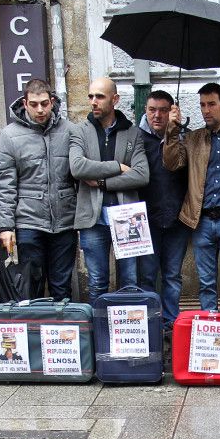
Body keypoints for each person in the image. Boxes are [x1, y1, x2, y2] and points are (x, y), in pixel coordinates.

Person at [162, 82, 220, 312]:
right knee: (207, 283)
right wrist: (171, 131)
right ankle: (210, 334)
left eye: (211, 104)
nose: (206, 110)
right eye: (202, 105)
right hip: (202, 220)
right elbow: (171, 163)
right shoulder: (193, 139)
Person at [0, 78, 78, 301]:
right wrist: (5, 226)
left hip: (64, 220)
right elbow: (5, 184)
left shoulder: (69, 130)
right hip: (28, 221)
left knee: (62, 286)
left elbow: (80, 174)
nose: (40, 110)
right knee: (30, 285)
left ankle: (61, 334)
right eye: (34, 104)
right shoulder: (10, 135)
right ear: (25, 102)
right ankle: (34, 332)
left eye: (44, 103)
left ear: (52, 101)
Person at [68, 77, 149, 300]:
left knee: (130, 281)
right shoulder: (80, 131)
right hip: (92, 219)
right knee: (96, 282)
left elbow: (141, 174)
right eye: (90, 96)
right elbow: (77, 167)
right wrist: (117, 167)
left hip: (128, 217)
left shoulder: (133, 133)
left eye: (100, 96)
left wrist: (103, 182)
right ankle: (100, 333)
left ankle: (129, 332)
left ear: (115, 99)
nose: (93, 101)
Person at [137, 90, 189, 328]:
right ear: (145, 111)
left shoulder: (184, 138)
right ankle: (150, 325)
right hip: (145, 220)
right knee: (147, 276)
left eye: (163, 110)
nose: (157, 115)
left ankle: (170, 325)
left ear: (172, 111)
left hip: (177, 218)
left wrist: (175, 132)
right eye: (152, 110)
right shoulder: (135, 139)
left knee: (172, 277)